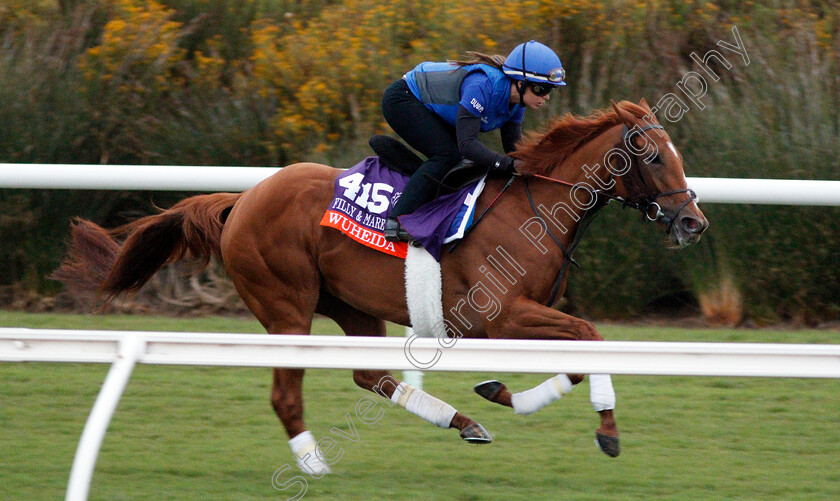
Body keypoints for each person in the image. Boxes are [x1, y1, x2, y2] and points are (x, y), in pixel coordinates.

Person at [381, 40, 566, 242]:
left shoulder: (516, 104)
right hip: (403, 99)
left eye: (551, 90)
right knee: (447, 155)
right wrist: (507, 164)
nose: (546, 97)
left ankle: (422, 189)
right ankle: (396, 220)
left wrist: (541, 168)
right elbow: (468, 145)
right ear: (520, 84)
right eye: (542, 89)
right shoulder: (483, 86)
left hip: (432, 109)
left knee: (461, 162)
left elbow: (514, 150)